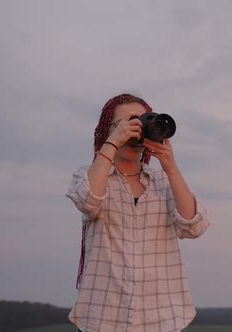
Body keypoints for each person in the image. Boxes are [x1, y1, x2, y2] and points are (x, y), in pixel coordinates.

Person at [65, 93, 210, 332]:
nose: (135, 129)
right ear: (107, 130)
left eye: (141, 121)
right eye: (127, 122)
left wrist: (171, 167)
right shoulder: (89, 175)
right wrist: (111, 144)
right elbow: (88, 200)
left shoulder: (163, 181)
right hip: (102, 319)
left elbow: (193, 226)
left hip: (163, 319)